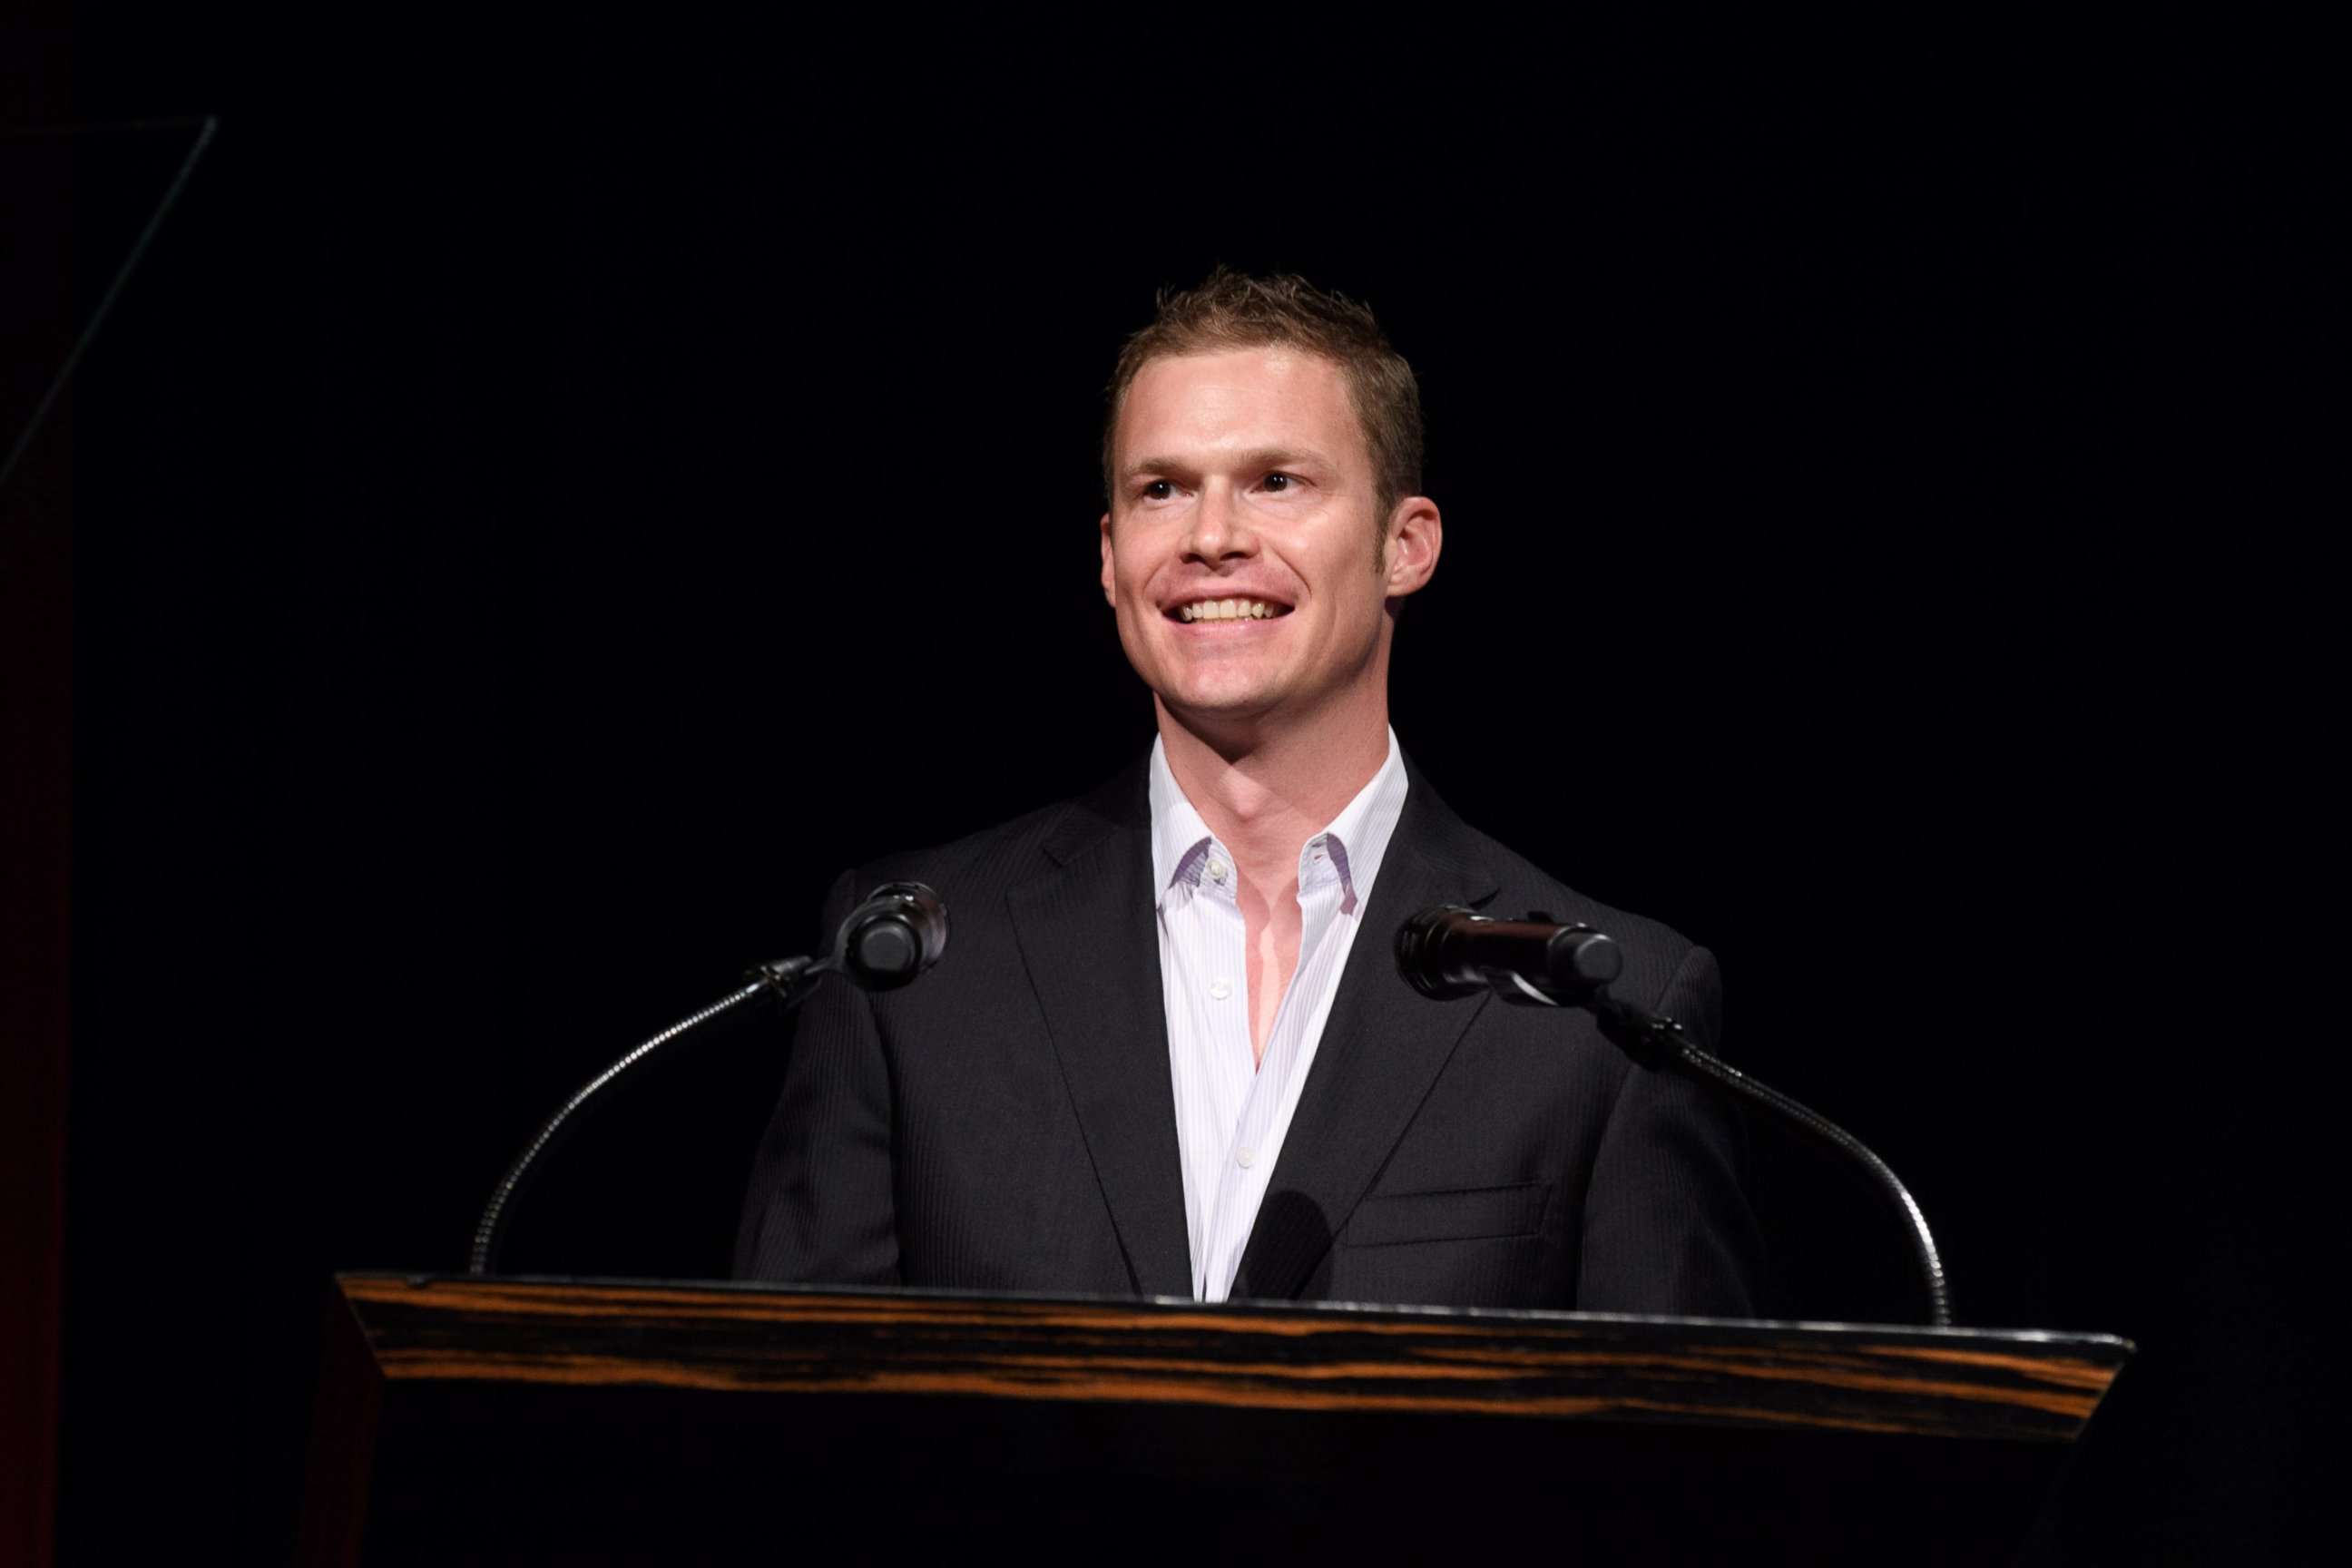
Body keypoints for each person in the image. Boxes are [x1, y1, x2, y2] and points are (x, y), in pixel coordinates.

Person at [735, 270, 1760, 1315]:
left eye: (1276, 481)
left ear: (1405, 546)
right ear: (1108, 555)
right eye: (1162, 489)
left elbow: (1671, 1461)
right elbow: (791, 1417)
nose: (1210, 537)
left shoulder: (1606, 1010)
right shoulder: (911, 963)